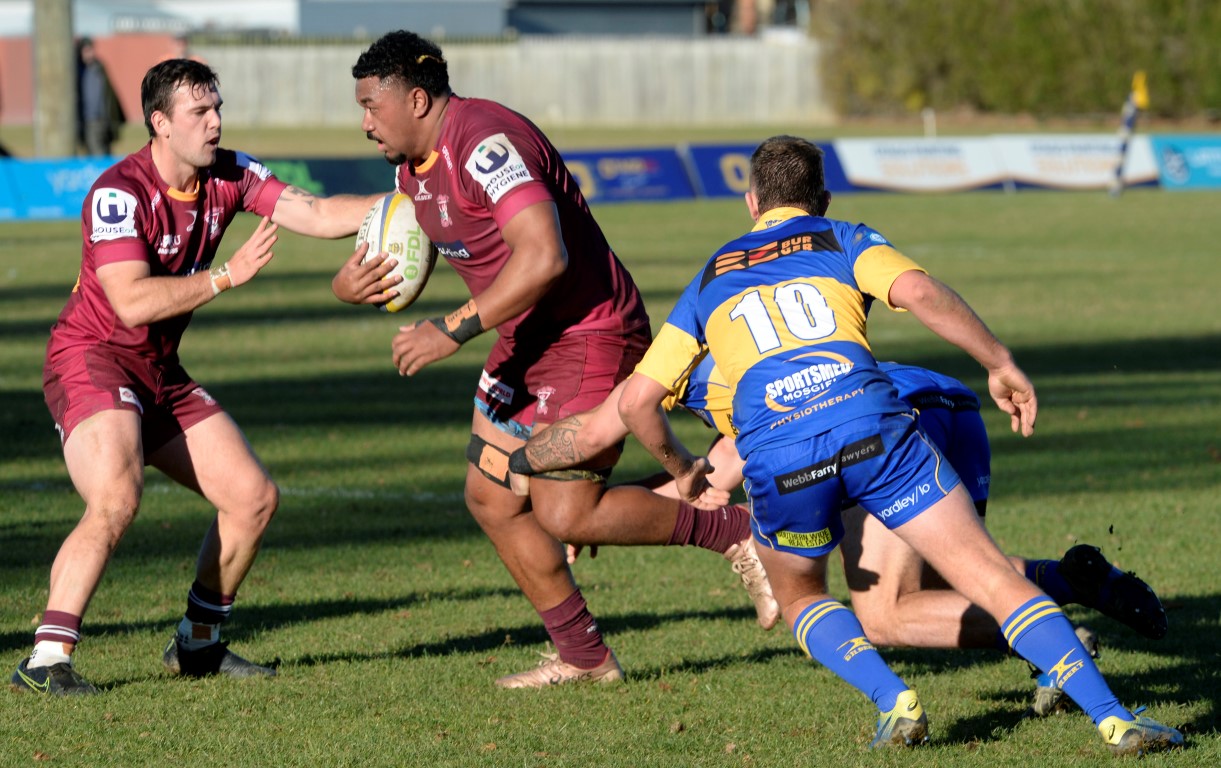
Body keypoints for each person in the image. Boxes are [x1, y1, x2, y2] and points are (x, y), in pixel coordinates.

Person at [615, 135, 1184, 754]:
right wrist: (999, 362)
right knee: (987, 577)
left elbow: (634, 403)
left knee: (802, 596)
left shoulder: (707, 281)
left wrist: (682, 468)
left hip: (783, 458)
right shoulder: (842, 237)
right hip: (877, 425)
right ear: (823, 200)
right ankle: (1114, 719)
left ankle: (896, 702)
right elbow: (920, 293)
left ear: (751, 204)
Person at [331, 30, 776, 688]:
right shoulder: (409, 171)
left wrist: (449, 331)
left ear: (417, 100)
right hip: (524, 341)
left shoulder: (484, 146)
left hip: (588, 332)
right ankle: (584, 657)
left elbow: (544, 257)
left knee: (565, 512)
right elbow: (403, 243)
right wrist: (351, 286)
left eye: (372, 106)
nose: (364, 123)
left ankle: (732, 529)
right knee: (490, 497)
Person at [11, 58, 381, 696]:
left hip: (157, 369)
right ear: (159, 124)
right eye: (199, 113)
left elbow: (318, 214)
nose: (215, 123)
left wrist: (408, 202)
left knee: (252, 497)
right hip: (93, 357)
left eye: (217, 108)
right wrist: (225, 276)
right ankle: (45, 660)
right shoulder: (118, 191)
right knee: (117, 496)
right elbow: (127, 303)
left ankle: (198, 645)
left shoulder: (231, 172)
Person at [510, 357, 1168, 715]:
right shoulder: (751, 351)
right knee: (943, 570)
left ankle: (1053, 642)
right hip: (940, 401)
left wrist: (595, 511)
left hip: (883, 428)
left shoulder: (714, 382)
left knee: (883, 615)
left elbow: (712, 474)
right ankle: (1070, 580)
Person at [76, 37, 126, 157]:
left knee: (107, 154)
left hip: (104, 119)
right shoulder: (79, 70)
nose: (89, 54)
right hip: (90, 121)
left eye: (91, 50)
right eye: (86, 51)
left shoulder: (99, 67)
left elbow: (109, 94)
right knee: (97, 154)